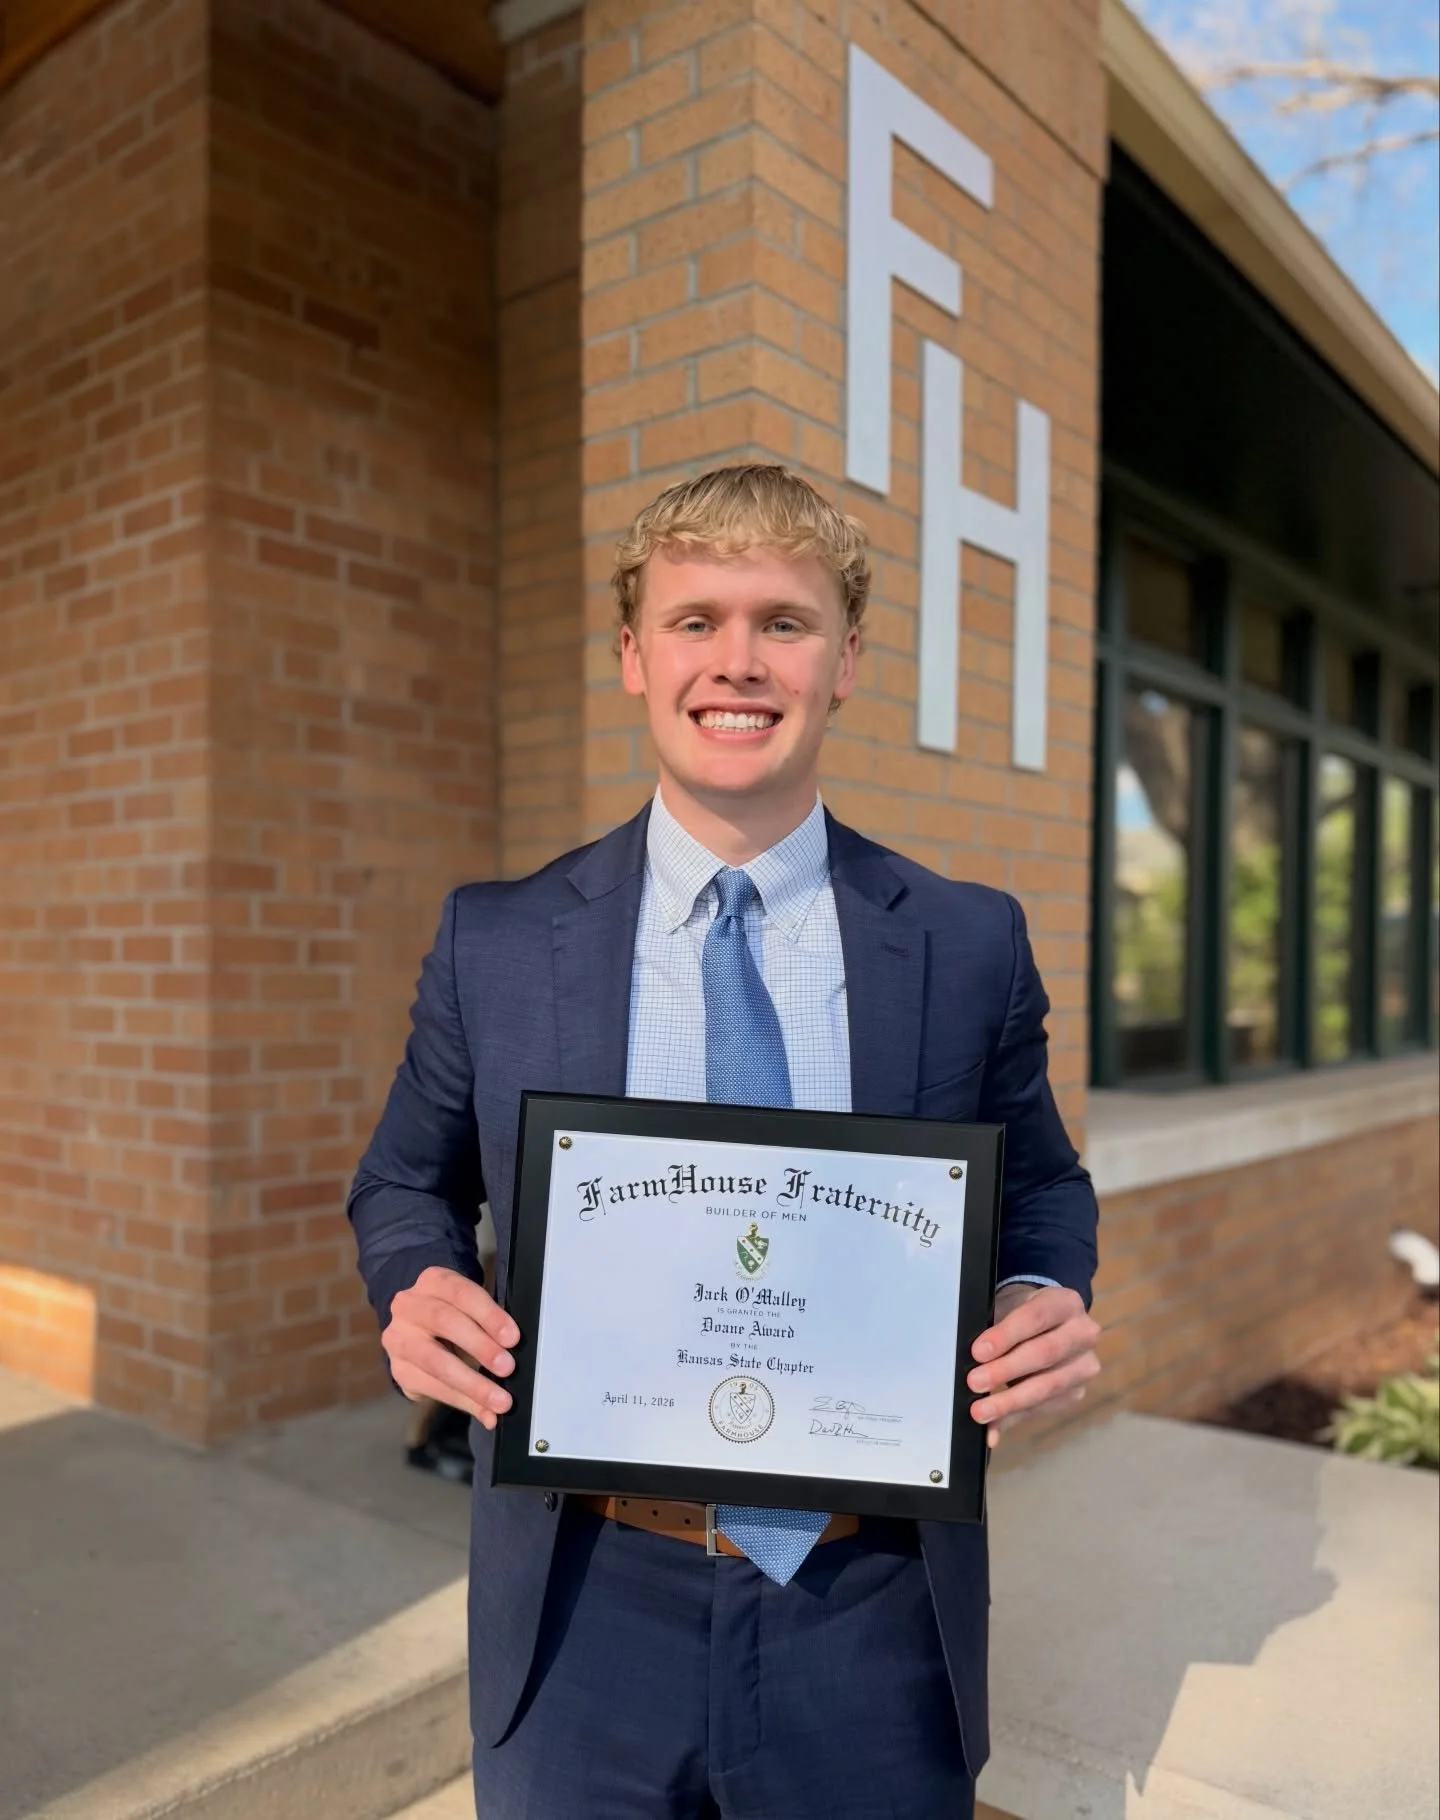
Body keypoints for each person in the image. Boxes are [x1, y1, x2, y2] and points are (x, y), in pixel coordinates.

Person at [348, 463, 1101, 1819]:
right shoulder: (498, 941)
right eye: (694, 621)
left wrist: (1039, 1290)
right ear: (634, 657)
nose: (737, 662)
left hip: (869, 1605)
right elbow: (405, 1178)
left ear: (846, 662)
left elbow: (1041, 1180)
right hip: (582, 1604)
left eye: (784, 623)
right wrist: (416, 1285)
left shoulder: (967, 941)